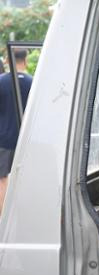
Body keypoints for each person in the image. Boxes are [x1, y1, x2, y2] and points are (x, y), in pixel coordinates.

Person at [0, 49, 32, 215]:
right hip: (26, 141)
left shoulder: (1, 81)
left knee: (1, 180)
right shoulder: (34, 83)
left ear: (7, 60)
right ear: (25, 60)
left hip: (3, 141)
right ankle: (24, 216)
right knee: (25, 179)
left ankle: (2, 220)